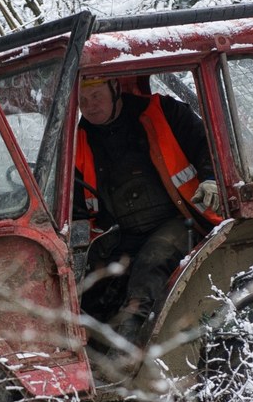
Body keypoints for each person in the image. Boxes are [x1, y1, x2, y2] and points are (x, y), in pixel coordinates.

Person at [74, 76, 222, 347]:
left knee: (152, 264)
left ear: (115, 87)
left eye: (96, 96)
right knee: (92, 290)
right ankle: (95, 361)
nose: (90, 106)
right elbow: (74, 203)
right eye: (82, 101)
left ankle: (131, 353)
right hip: (120, 235)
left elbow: (207, 143)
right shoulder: (77, 142)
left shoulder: (163, 112)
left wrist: (211, 178)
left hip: (179, 219)